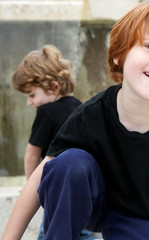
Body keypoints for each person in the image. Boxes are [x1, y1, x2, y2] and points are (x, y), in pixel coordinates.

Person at [2, 0, 149, 239]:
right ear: (119, 56)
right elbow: (43, 172)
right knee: (69, 162)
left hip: (138, 218)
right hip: (90, 203)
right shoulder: (90, 114)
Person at [11, 45, 96, 240]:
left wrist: (30, 185)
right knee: (82, 232)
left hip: (57, 186)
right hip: (82, 185)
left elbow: (32, 153)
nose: (29, 102)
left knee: (49, 232)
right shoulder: (79, 106)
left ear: (53, 87)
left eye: (32, 95)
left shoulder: (46, 112)